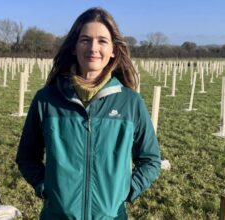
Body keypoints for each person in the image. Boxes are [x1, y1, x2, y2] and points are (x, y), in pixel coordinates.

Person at [16, 7, 161, 219]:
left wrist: (126, 190)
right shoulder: (46, 100)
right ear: (74, 47)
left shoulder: (130, 103)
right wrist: (45, 186)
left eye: (102, 41)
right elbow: (27, 156)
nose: (93, 47)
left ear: (113, 50)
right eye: (85, 40)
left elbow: (150, 159)